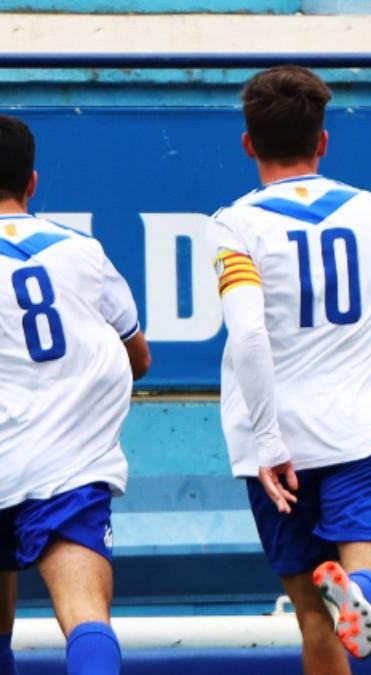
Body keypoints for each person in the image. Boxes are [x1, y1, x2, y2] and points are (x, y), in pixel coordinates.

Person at [206, 65, 371, 674]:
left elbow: (249, 330)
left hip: (274, 451)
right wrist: (354, 341)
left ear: (249, 143)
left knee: (313, 620)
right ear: (323, 141)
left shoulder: (235, 225)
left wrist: (271, 441)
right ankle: (365, 595)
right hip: (358, 430)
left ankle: (351, 598)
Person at [0, 113, 151, 675]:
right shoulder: (81, 250)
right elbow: (138, 355)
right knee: (86, 617)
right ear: (32, 182)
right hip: (67, 470)